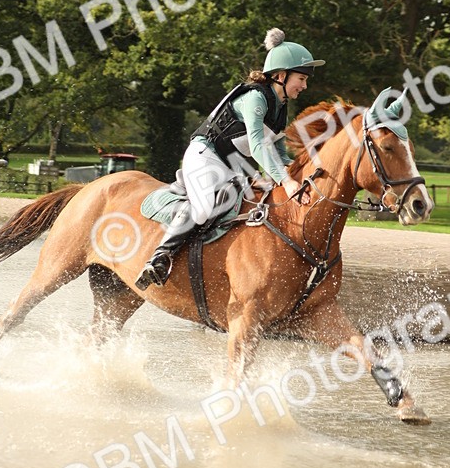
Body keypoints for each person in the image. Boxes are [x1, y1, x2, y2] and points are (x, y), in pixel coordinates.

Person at [135, 28, 325, 289]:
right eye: (301, 78)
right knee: (202, 209)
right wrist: (285, 181)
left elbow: (278, 152)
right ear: (281, 75)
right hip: (206, 156)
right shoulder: (255, 98)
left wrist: (298, 176)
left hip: (233, 168)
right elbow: (258, 144)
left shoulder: (281, 107)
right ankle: (159, 257)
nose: (304, 86)